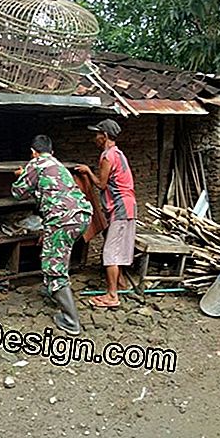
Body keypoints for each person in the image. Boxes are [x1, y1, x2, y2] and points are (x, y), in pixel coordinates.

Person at [11, 135, 93, 335]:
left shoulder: (36, 163)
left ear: (33, 151)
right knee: (56, 254)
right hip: (81, 216)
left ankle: (70, 321)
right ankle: (51, 292)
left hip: (62, 220)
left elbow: (18, 193)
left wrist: (19, 175)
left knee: (54, 266)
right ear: (52, 151)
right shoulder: (58, 164)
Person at [75, 119, 136, 308]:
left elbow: (101, 184)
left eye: (97, 134)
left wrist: (87, 171)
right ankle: (121, 283)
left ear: (106, 136)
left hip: (120, 207)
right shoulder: (119, 154)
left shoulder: (107, 156)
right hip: (127, 206)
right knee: (117, 247)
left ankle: (112, 296)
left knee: (110, 253)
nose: (95, 138)